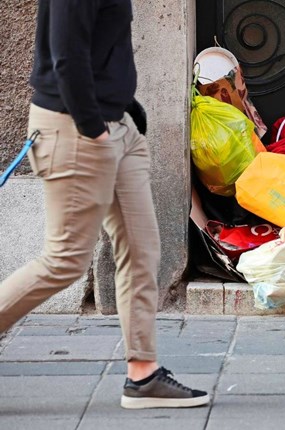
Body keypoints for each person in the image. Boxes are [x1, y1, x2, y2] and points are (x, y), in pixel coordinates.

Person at [0, 0, 209, 409]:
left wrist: (124, 110)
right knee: (65, 259)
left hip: (117, 127)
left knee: (141, 249)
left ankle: (143, 376)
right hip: (77, 130)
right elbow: (66, 56)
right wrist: (95, 131)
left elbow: (100, 48)